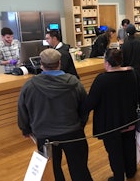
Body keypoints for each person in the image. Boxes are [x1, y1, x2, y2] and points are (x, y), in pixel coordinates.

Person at [17, 48, 93, 181]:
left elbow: (22, 109)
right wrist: (81, 123)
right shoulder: (74, 82)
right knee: (79, 168)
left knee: (52, 171)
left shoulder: (29, 86)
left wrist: (25, 129)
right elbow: (85, 107)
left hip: (45, 135)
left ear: (41, 64)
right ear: (59, 63)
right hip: (73, 132)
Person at [83, 49, 137, 181]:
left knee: (114, 151)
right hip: (129, 118)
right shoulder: (131, 74)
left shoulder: (102, 79)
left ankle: (119, 177)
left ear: (107, 63)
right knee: (129, 146)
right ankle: (130, 172)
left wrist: (80, 113)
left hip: (110, 122)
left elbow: (91, 102)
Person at [121, 24, 140, 111]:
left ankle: (131, 109)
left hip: (128, 71)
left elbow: (122, 59)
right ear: (135, 33)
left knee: (130, 92)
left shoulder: (124, 45)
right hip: (139, 70)